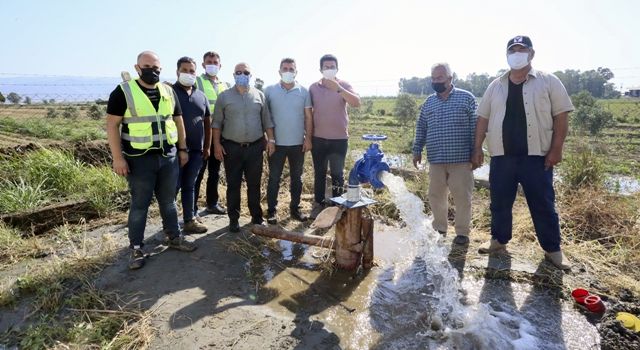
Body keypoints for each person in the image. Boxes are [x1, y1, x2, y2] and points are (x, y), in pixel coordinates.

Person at [472, 35, 574, 270]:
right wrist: (477, 147)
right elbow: (483, 118)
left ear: (531, 54)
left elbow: (561, 116)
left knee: (542, 203)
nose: (516, 53)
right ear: (507, 54)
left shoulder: (548, 81)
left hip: (536, 157)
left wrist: (556, 149)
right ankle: (498, 240)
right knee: (499, 202)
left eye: (521, 49)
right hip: (502, 156)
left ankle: (552, 250)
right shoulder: (495, 85)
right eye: (512, 50)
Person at [106, 51, 196, 270]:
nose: (152, 71)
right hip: (139, 160)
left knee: (168, 201)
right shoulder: (123, 92)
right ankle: (136, 248)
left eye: (156, 68)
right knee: (140, 205)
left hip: (168, 156)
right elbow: (111, 126)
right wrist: (118, 158)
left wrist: (182, 149)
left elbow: (178, 121)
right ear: (137, 68)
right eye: (147, 67)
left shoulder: (167, 91)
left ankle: (174, 237)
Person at [413, 63, 477, 245]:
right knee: (435, 195)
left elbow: (475, 127)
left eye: (439, 78)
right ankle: (440, 228)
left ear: (450, 78)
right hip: (436, 159)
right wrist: (417, 150)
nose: (435, 81)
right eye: (433, 78)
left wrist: (476, 151)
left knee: (463, 197)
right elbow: (421, 127)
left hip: (461, 160)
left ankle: (462, 233)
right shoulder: (429, 103)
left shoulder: (467, 99)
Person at [212, 62, 275, 232]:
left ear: (250, 75)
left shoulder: (259, 95)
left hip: (255, 147)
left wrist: (271, 141)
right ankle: (233, 219)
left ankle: (256, 217)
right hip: (232, 148)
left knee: (254, 184)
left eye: (245, 72)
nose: (242, 75)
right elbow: (216, 123)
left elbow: (267, 121)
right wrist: (216, 144)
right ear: (233, 75)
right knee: (233, 185)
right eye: (238, 72)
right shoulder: (224, 96)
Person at [309, 54, 361, 217]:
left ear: (337, 68)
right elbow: (308, 113)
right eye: (326, 67)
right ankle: (318, 204)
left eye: (332, 67)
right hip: (319, 139)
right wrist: (308, 137)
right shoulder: (313, 88)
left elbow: (356, 103)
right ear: (320, 69)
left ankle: (337, 207)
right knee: (319, 172)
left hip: (339, 140)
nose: (329, 69)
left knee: (337, 173)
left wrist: (337, 88)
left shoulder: (344, 85)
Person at [264, 58, 313, 224]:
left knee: (296, 178)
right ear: (279, 71)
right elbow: (265, 117)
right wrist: (269, 139)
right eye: (285, 68)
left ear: (296, 72)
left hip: (298, 144)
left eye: (291, 69)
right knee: (274, 178)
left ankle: (295, 209)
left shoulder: (304, 92)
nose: (288, 71)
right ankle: (271, 210)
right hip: (276, 144)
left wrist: (308, 138)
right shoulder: (269, 91)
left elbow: (308, 117)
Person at [172, 56, 210, 233]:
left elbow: (207, 122)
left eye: (191, 71)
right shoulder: (169, 93)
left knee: (190, 186)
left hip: (196, 151)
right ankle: (170, 227)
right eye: (185, 70)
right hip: (175, 151)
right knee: (173, 189)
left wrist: (206, 147)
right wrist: (181, 148)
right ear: (177, 71)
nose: (188, 74)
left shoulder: (200, 96)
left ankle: (189, 220)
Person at [193, 51, 229, 216]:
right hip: (201, 135)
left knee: (215, 171)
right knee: (198, 172)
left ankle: (212, 203)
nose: (212, 64)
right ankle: (191, 208)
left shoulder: (224, 84)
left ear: (220, 65)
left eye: (215, 62)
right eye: (209, 61)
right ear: (203, 65)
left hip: (219, 134)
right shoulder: (197, 81)